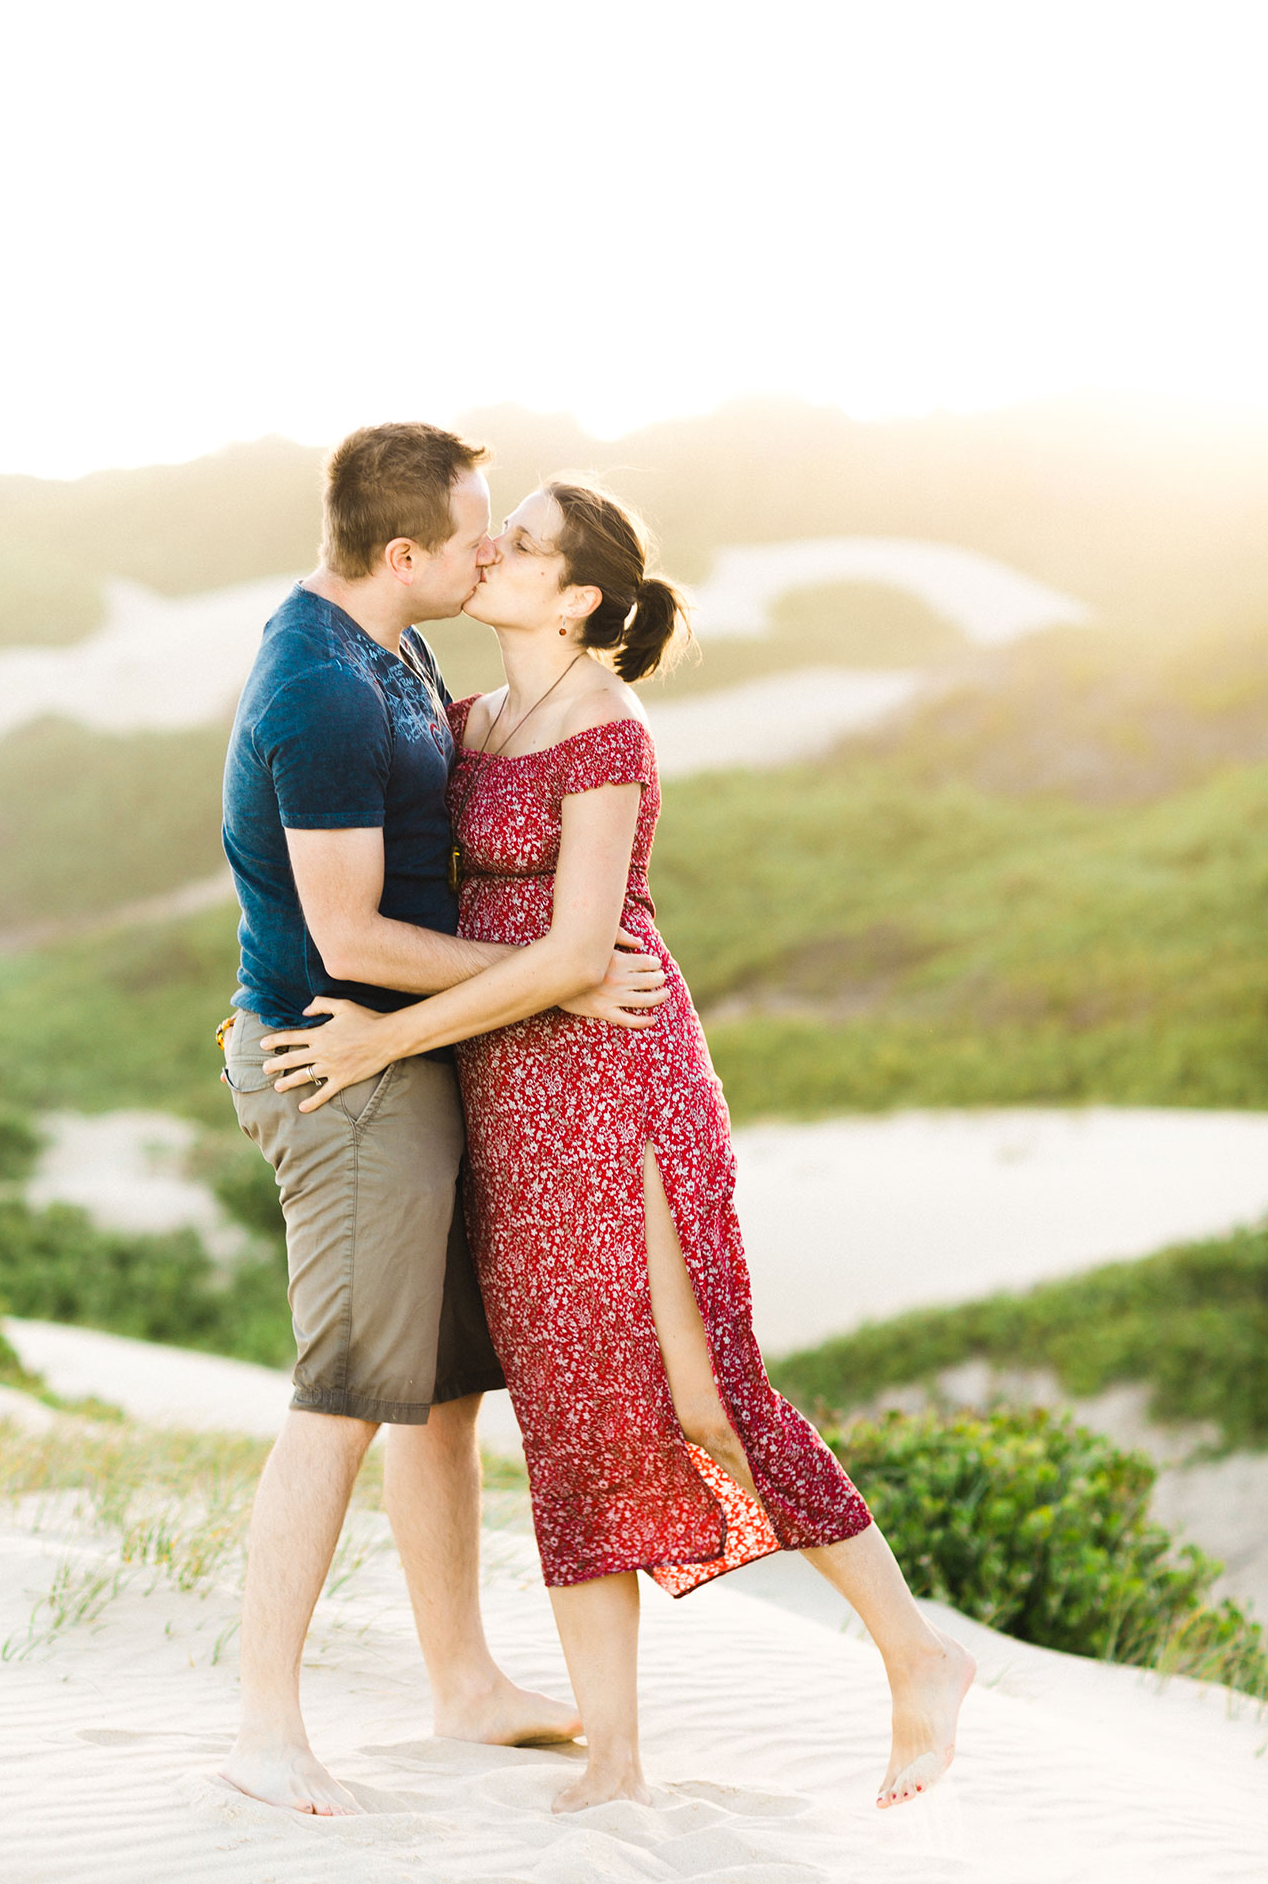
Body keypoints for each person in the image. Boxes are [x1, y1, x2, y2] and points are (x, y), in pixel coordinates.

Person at [264, 474, 976, 1814]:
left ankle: (919, 1655)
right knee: (572, 1420)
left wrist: (381, 1040)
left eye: (520, 545)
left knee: (706, 1393)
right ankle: (619, 1753)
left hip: (625, 1082)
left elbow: (583, 955)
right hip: (510, 1104)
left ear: (579, 594)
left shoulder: (607, 726)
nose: (495, 555)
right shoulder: (469, 721)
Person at [217, 425, 668, 1816]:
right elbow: (349, 931)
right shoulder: (324, 690)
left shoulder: (391, 646)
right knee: (345, 1394)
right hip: (341, 1065)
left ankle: (463, 1680)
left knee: (444, 1390)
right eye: (477, 533)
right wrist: (563, 980)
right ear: (403, 554)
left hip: (421, 1060)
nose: (492, 552)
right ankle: (262, 1728)